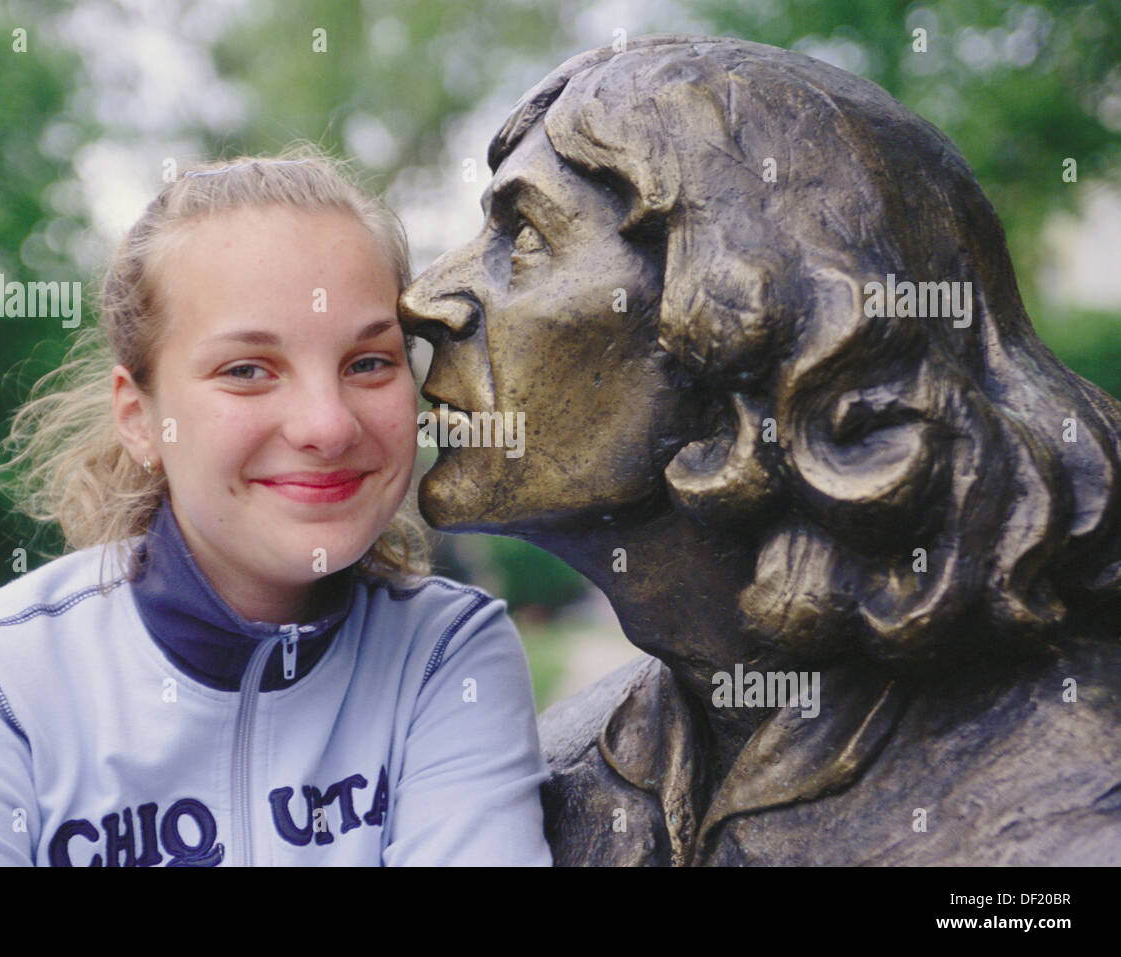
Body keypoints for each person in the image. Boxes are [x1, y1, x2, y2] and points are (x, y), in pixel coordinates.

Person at [398, 35, 1121, 865]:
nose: (425, 299)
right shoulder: (546, 784)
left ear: (751, 328)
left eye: (523, 236)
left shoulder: (1072, 813)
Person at [0, 148, 551, 867]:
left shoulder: (446, 655)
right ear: (139, 416)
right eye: (247, 370)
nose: (328, 425)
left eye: (368, 362)